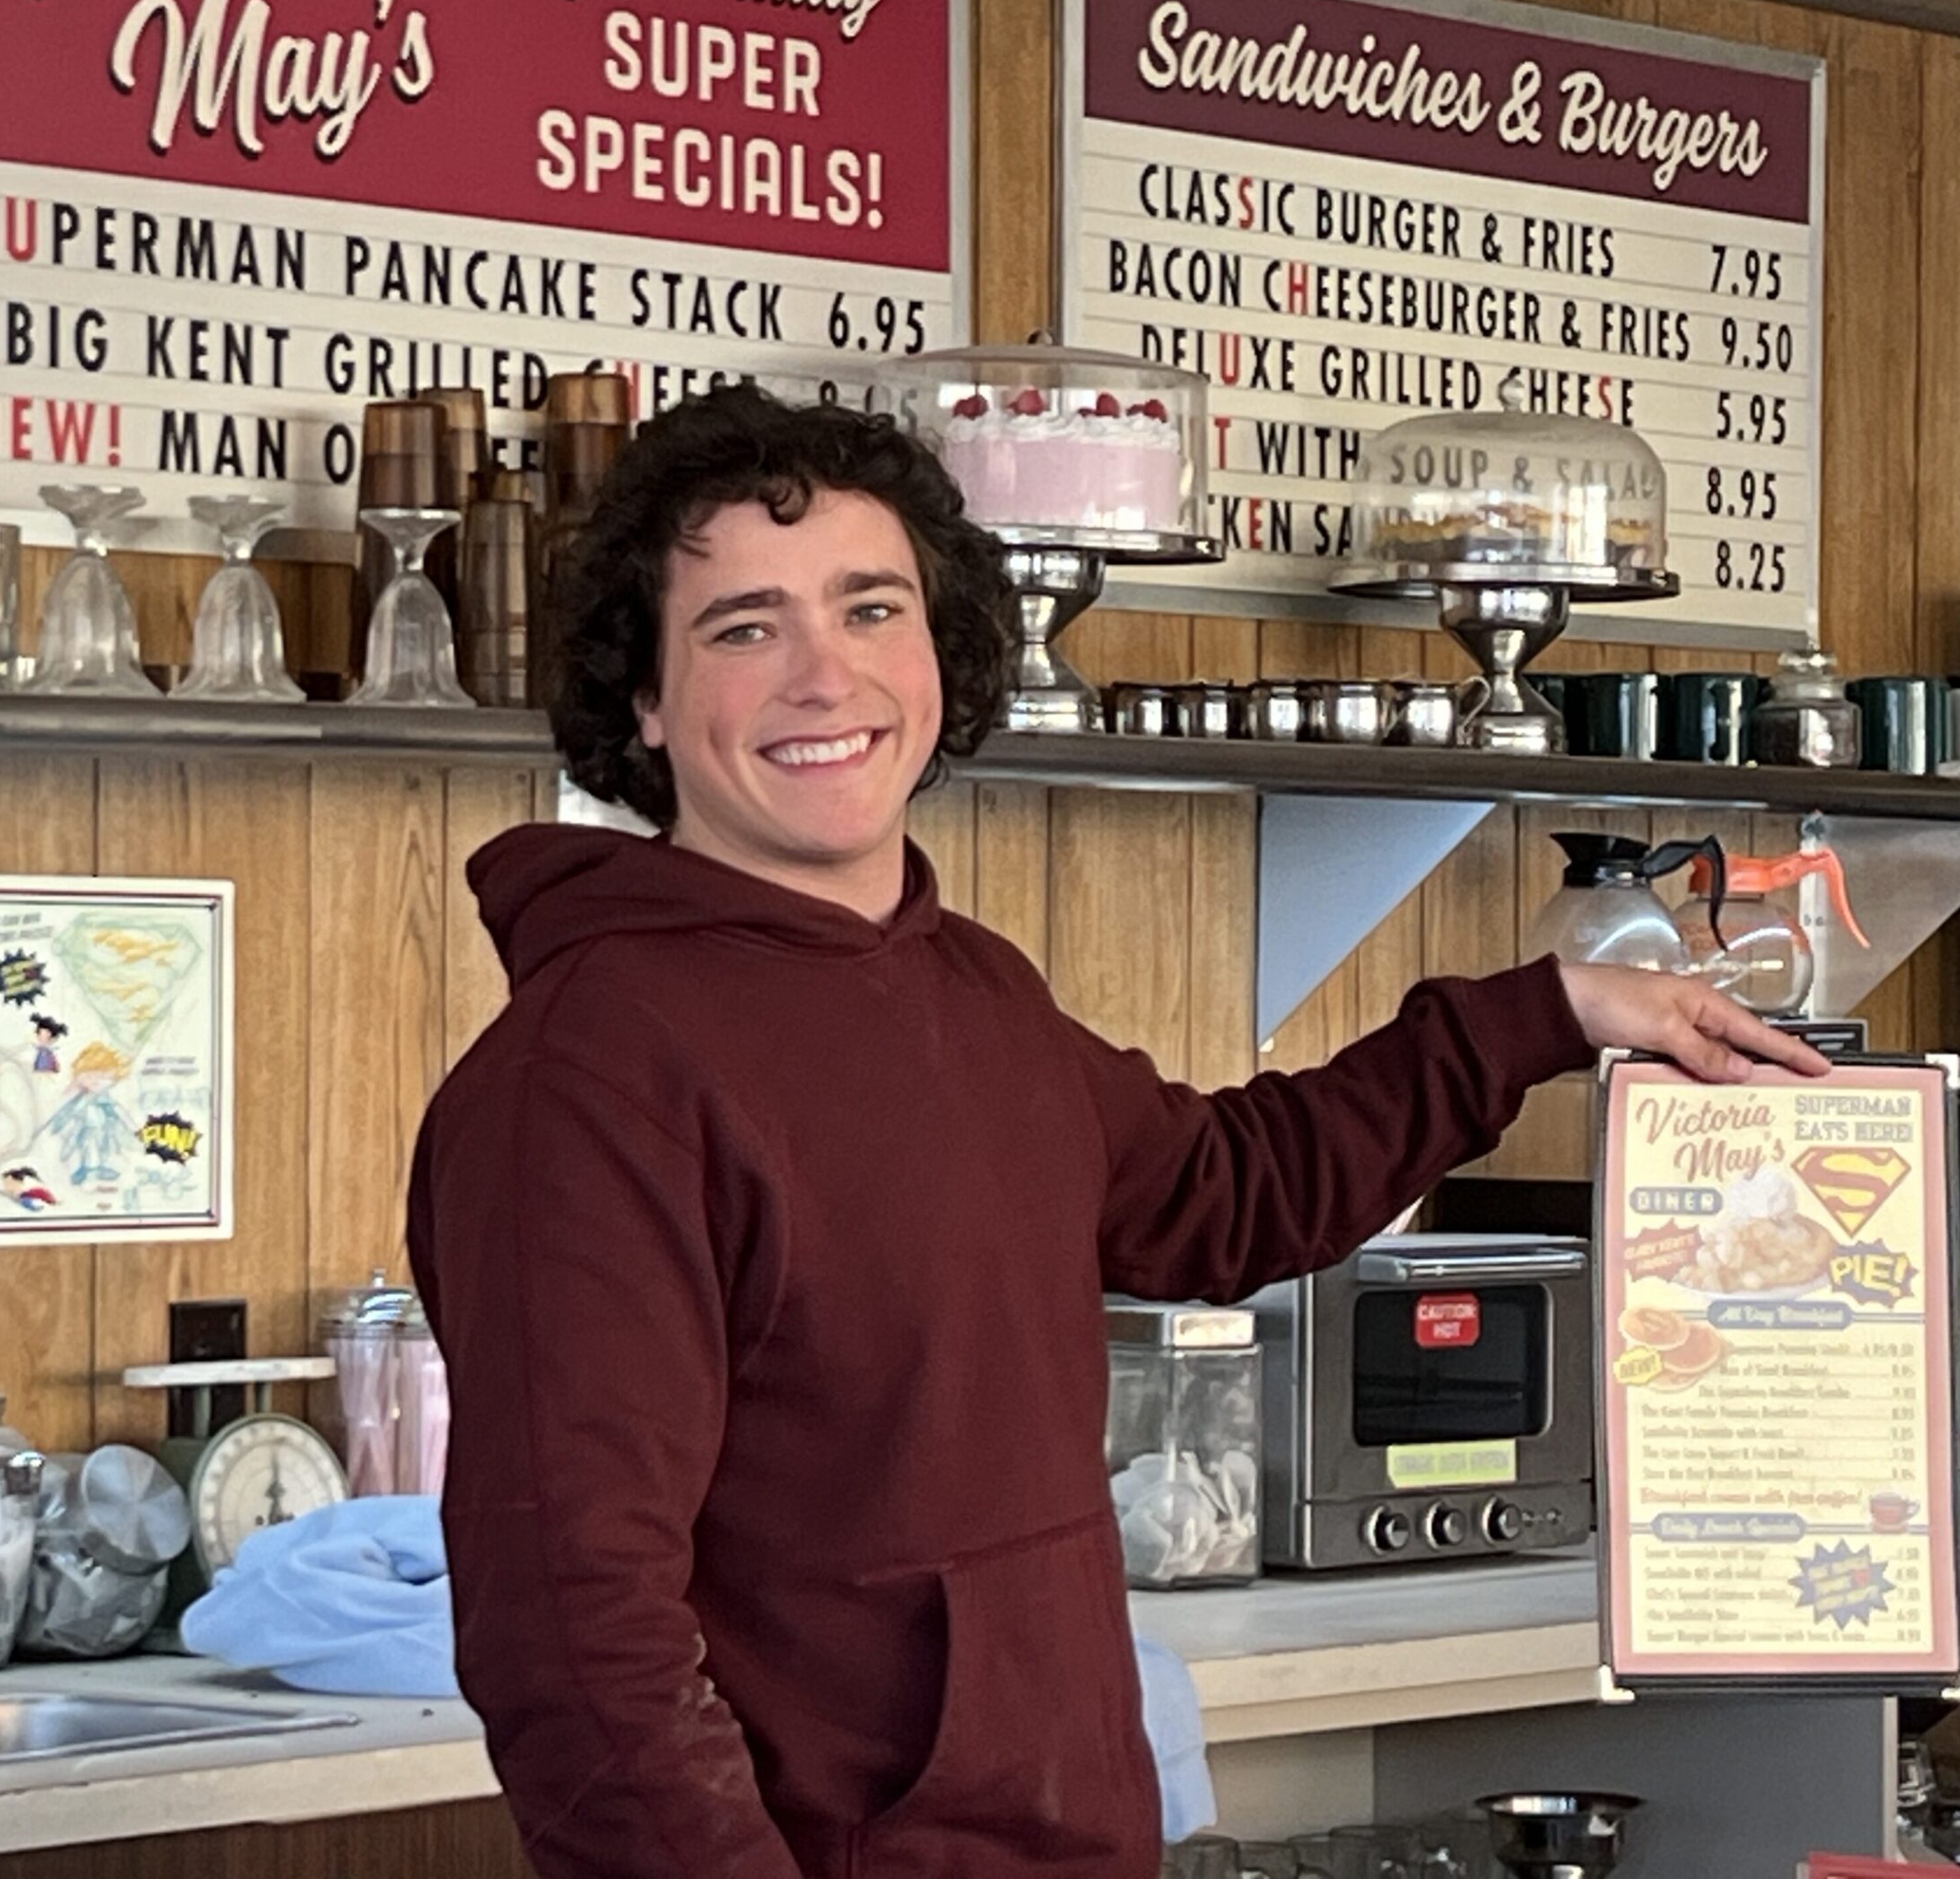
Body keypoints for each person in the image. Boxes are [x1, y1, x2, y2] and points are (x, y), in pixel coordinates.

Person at [406, 385, 1826, 1879]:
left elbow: (1226, 1194)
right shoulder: (585, 1077)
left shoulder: (967, 989)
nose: (825, 677)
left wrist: (1551, 1013)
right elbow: (573, 1634)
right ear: (642, 699)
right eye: (744, 628)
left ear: (943, 660)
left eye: (870, 609)